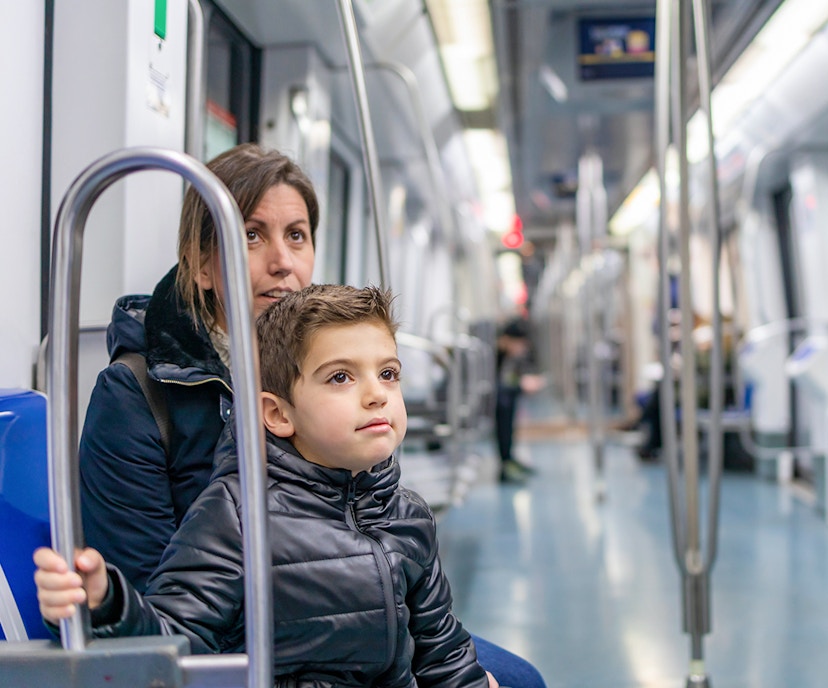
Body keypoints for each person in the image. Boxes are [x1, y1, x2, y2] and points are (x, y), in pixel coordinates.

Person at [77, 143, 545, 688]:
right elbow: (150, 594)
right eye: (251, 235)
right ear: (202, 264)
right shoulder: (138, 394)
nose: (283, 261)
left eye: (297, 235)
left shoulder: (330, 371)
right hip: (245, 640)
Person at [36, 284, 494, 687]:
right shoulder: (238, 514)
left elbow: (442, 653)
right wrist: (107, 604)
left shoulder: (408, 515)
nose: (377, 394)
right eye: (340, 377)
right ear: (277, 414)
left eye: (388, 373)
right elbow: (176, 639)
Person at [495, 317, 543, 484]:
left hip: (493, 399)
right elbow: (493, 387)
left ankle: (508, 458)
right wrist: (520, 386)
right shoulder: (491, 354)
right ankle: (506, 462)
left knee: (509, 402)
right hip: (480, 402)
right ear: (508, 340)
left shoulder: (505, 355)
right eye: (520, 344)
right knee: (504, 404)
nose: (522, 349)